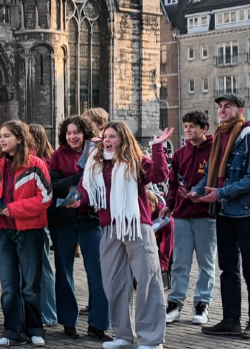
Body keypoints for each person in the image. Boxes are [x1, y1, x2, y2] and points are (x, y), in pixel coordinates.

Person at [73, 121, 172, 349]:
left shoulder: (135, 160)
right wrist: (77, 199)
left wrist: (157, 148)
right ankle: (123, 335)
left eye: (113, 136)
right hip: (109, 227)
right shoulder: (96, 163)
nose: (107, 140)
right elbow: (85, 189)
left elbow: (158, 175)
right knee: (114, 283)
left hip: (136, 226)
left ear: (124, 139)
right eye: (105, 136)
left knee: (147, 280)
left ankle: (151, 339)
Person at [187, 94, 250, 339]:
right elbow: (210, 173)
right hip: (223, 211)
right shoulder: (220, 138)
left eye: (227, 106)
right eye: (220, 107)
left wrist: (219, 193)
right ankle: (231, 320)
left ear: (239, 109)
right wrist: (196, 191)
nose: (222, 110)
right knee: (228, 268)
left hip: (245, 212)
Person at [0, 120, 52, 347]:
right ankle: (11, 331)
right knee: (8, 286)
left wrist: (13, 209)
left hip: (29, 232)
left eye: (7, 136)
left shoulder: (36, 165)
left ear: (20, 139)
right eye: (1, 135)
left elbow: (45, 198)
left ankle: (35, 330)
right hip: (4, 233)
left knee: (30, 287)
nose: (2, 139)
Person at [48, 116, 111, 341]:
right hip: (64, 219)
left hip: (89, 218)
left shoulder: (97, 152)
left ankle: (98, 324)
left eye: (76, 132)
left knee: (98, 272)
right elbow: (54, 187)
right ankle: (68, 321)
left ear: (85, 133)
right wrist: (79, 177)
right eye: (68, 133)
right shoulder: (58, 156)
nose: (72, 136)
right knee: (64, 272)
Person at [162, 111, 216, 326]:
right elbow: (173, 184)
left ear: (204, 129)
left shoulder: (214, 151)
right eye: (185, 126)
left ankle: (202, 304)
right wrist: (169, 205)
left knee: (206, 263)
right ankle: (175, 303)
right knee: (180, 264)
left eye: (193, 126)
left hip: (206, 215)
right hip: (182, 215)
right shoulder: (179, 154)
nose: (188, 130)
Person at [28, 123, 58, 327]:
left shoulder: (44, 162)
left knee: (43, 266)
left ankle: (48, 313)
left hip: (40, 218)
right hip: (30, 218)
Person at [147, 188, 174, 290]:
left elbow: (167, 242)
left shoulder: (166, 219)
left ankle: (167, 279)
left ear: (153, 205)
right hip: (152, 240)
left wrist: (164, 263)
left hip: (166, 239)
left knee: (169, 258)